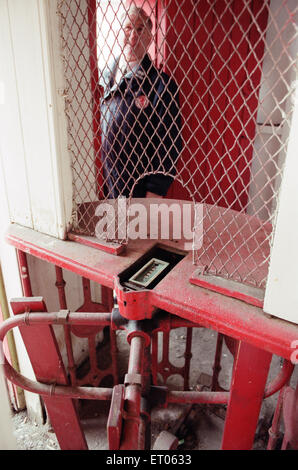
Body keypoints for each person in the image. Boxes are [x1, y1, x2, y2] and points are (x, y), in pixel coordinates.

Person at [100, 5, 182, 199]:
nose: (133, 36)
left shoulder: (161, 85)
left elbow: (169, 143)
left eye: (140, 29)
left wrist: (155, 191)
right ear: (118, 33)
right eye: (128, 28)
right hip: (109, 186)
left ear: (149, 38)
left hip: (140, 192)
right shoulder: (105, 78)